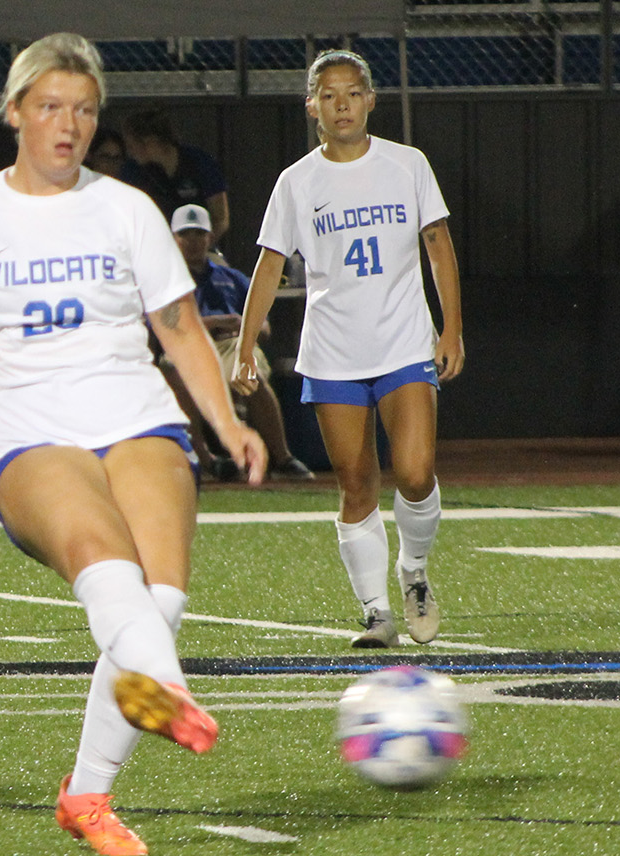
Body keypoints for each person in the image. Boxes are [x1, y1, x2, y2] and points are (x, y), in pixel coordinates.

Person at [0, 33, 267, 856]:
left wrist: (227, 424)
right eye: (50, 107)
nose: (67, 125)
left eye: (84, 109)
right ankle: (164, 689)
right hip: (29, 434)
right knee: (112, 574)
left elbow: (176, 327)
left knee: (159, 601)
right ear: (14, 112)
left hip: (135, 415)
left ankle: (87, 798)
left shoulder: (125, 208)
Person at [231, 49, 464, 649]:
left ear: (371, 99)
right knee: (356, 482)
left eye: (353, 93)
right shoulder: (298, 181)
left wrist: (451, 328)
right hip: (333, 352)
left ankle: (413, 571)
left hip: (404, 343)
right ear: (312, 104)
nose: (342, 105)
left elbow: (438, 245)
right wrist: (245, 346)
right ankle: (376, 613)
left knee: (414, 473)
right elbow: (269, 263)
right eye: (329, 95)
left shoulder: (407, 165)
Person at [162, 203, 315, 482]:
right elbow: (166, 327)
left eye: (199, 234)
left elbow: (264, 328)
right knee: (175, 369)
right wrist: (221, 322)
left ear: (210, 237)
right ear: (174, 239)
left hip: (232, 344)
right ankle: (203, 458)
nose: (193, 241)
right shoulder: (165, 278)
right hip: (188, 347)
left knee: (250, 372)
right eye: (186, 234)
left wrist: (241, 330)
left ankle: (282, 457)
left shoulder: (232, 278)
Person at [120, 109, 230, 254]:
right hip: (153, 253)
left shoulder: (200, 163)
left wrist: (195, 250)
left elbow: (220, 219)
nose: (130, 151)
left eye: (132, 145)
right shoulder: (132, 171)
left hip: (201, 254)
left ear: (150, 142)